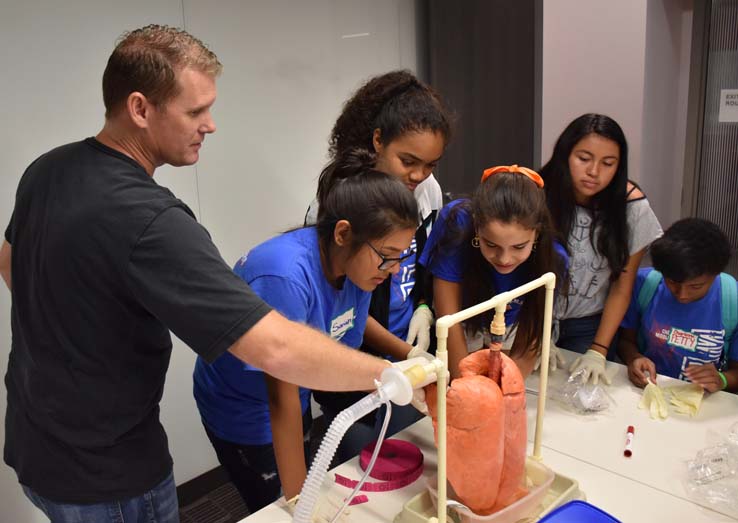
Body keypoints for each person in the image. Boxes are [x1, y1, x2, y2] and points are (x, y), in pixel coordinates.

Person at [0, 25, 397, 522]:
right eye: (194, 111)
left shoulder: (47, 168)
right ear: (140, 108)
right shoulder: (152, 222)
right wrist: (397, 375)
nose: (210, 125)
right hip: (110, 475)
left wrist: (81, 332)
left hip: (36, 445)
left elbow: (10, 262)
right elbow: (273, 347)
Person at [193, 150, 418, 511]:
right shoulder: (283, 276)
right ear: (344, 233)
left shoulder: (359, 270)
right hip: (244, 406)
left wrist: (411, 359)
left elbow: (340, 333)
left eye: (401, 257)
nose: (394, 270)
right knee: (275, 502)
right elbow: (279, 399)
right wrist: (300, 504)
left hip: (292, 394)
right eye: (387, 255)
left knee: (304, 464)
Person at [305, 70, 453, 460]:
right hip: (362, 355)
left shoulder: (427, 191)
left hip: (404, 343)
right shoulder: (343, 202)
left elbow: (423, 258)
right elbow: (344, 310)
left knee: (419, 445)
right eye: (409, 161)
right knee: (371, 456)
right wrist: (403, 353)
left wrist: (422, 306)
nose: (419, 176)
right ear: (377, 141)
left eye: (431, 165)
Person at [539, 113, 662, 385]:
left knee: (583, 399)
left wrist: (599, 350)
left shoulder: (632, 207)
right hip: (535, 315)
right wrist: (536, 331)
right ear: (565, 155)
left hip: (590, 324)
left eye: (608, 163)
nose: (594, 172)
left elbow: (622, 286)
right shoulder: (537, 193)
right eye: (583, 159)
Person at [419, 165, 568, 379]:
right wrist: (466, 389)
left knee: (504, 381)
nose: (504, 259)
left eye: (519, 247)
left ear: (537, 233)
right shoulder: (457, 222)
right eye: (491, 245)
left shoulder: (554, 259)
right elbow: (449, 319)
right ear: (477, 227)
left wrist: (504, 396)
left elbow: (526, 345)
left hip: (512, 324)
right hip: (462, 317)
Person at [618, 218, 738, 392]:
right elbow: (625, 340)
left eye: (696, 286)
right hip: (649, 391)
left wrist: (722, 380)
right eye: (672, 282)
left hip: (703, 404)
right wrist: (633, 358)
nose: (682, 295)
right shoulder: (645, 285)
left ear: (716, 274)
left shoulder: (732, 299)